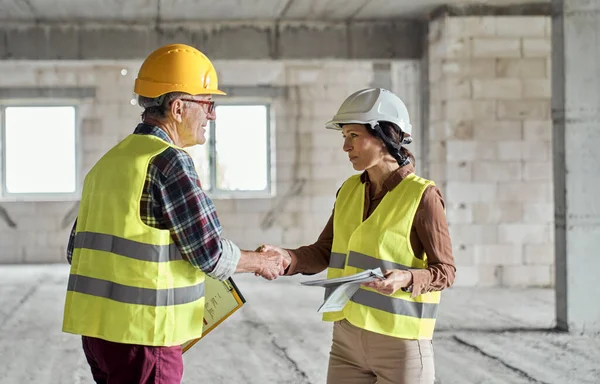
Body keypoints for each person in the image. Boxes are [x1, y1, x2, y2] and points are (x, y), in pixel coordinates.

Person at [62, 43, 290, 384]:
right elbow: (209, 253)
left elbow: (74, 252)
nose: (212, 114)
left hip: (98, 336)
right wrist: (260, 261)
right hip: (145, 337)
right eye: (208, 104)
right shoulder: (169, 161)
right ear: (179, 107)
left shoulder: (109, 163)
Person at [259, 88, 455, 384]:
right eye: (344, 137)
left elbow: (445, 272)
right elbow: (324, 251)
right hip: (347, 338)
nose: (346, 147)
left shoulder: (422, 196)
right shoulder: (349, 189)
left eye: (353, 136)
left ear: (384, 135)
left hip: (399, 345)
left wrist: (406, 279)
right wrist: (288, 258)